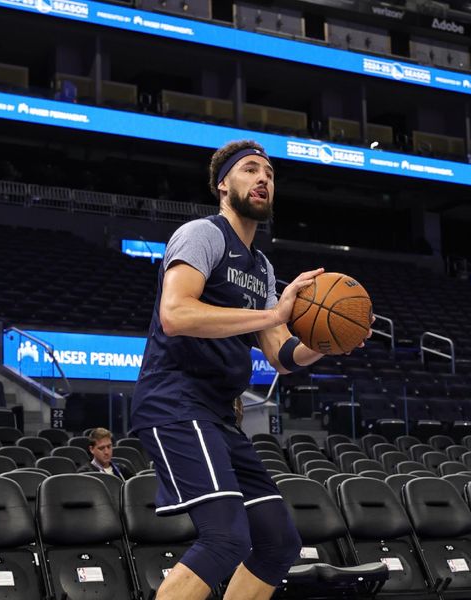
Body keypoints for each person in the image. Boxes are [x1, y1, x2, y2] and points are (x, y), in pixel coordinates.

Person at [130, 140, 372, 600]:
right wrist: (273, 315)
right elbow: (175, 314)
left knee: (277, 542)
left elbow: (281, 353)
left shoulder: (261, 267)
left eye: (270, 173)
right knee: (225, 537)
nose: (262, 178)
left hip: (219, 413)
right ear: (223, 185)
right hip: (174, 399)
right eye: (249, 170)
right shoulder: (202, 234)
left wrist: (327, 344)